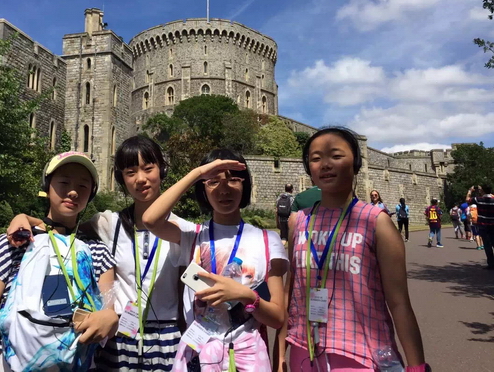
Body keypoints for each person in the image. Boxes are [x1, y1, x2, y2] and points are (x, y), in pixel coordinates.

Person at [6, 136, 191, 371]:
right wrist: (25, 218)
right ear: (121, 179)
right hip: (120, 336)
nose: (140, 179)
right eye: (131, 172)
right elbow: (62, 227)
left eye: (148, 168)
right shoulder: (108, 223)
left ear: (162, 170)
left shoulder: (183, 230)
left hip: (167, 338)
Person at [276, 127, 428, 372]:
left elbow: (399, 302)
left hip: (360, 355)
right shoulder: (300, 222)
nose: (325, 164)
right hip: (304, 352)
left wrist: (416, 366)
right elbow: (289, 293)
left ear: (356, 163)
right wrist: (279, 355)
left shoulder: (376, 222)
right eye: (316, 158)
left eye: (336, 156)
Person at [142, 148, 289, 372]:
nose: (224, 189)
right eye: (213, 182)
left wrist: (245, 295)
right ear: (203, 188)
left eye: (233, 180)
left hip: (247, 358)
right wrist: (198, 173)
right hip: (198, 356)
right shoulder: (192, 235)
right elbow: (150, 220)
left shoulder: (267, 240)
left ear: (245, 184)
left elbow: (277, 318)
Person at [0, 152, 118, 372]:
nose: (73, 191)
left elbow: (108, 315)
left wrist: (110, 318)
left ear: (91, 194)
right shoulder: (15, 242)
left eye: (83, 186)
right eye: (64, 182)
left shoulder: (98, 251)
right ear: (47, 187)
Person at [466, 185, 494, 270]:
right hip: (493, 224)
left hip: (483, 224)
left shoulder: (479, 199)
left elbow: (467, 200)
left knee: (487, 245)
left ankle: (491, 264)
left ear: (483, 191)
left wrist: (470, 191)